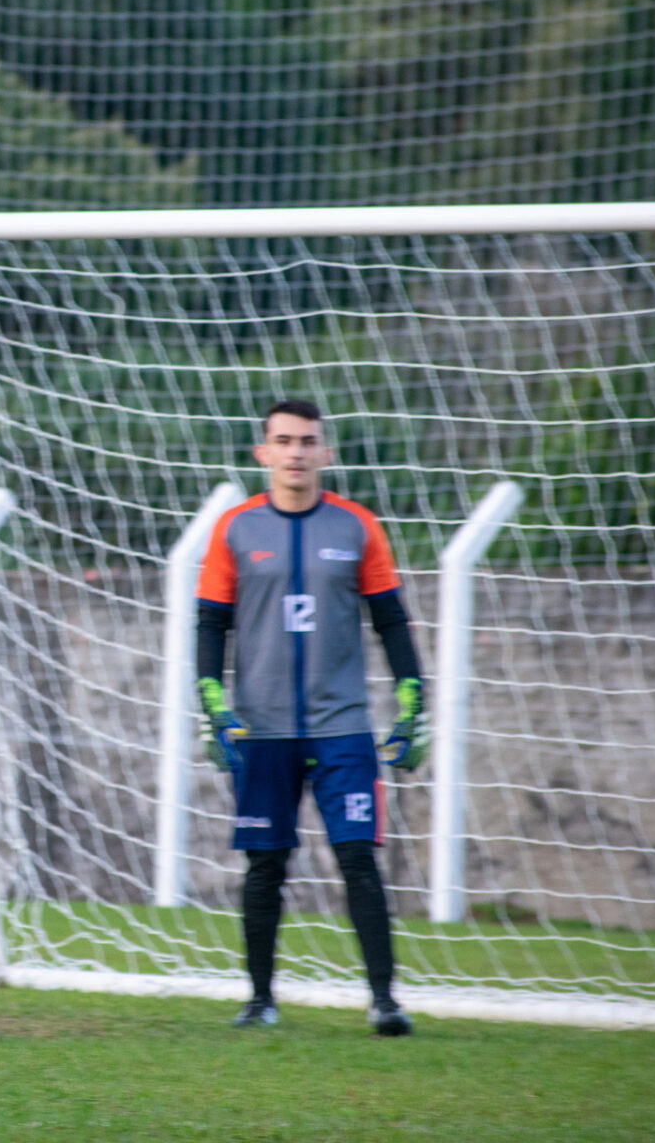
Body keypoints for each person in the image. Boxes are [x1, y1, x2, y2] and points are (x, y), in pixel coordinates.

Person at [195, 399, 428, 1037]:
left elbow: (389, 619)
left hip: (343, 727)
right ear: (262, 454)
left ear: (325, 454)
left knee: (358, 859)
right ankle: (260, 999)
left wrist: (413, 699)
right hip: (261, 730)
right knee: (265, 865)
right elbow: (211, 622)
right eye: (284, 441)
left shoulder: (356, 527)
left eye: (308, 442)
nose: (296, 452)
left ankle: (384, 1001)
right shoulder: (235, 529)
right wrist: (212, 702)